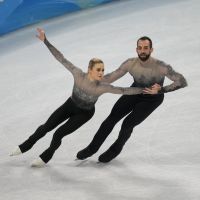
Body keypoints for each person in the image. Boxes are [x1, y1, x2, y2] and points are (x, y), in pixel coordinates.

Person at [10, 28, 147, 167]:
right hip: (69, 105)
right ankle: (24, 146)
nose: (101, 72)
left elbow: (124, 90)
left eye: (103, 70)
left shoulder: (103, 86)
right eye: (98, 69)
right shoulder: (78, 74)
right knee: (45, 127)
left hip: (84, 114)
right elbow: (61, 58)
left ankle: (46, 156)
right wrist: (45, 41)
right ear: (90, 69)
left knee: (58, 134)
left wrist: (146, 89)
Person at [77, 36, 188, 163]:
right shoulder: (130, 63)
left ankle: (115, 149)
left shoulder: (161, 66)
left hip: (152, 99)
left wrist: (161, 89)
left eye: (146, 48)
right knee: (111, 118)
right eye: (140, 48)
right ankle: (92, 148)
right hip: (134, 92)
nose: (143, 51)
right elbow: (111, 77)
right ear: (136, 50)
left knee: (127, 123)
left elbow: (182, 81)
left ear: (151, 50)